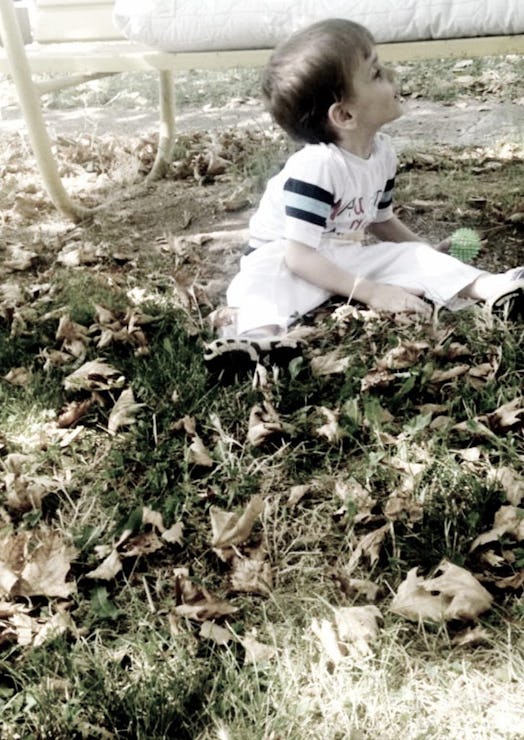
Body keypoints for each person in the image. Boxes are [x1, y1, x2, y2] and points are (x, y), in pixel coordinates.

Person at [204, 18, 523, 367]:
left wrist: (425, 251)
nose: (392, 74)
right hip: (284, 255)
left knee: (414, 256)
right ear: (344, 114)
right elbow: (298, 257)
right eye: (375, 74)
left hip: (340, 252)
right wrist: (371, 292)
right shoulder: (317, 167)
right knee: (261, 287)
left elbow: (381, 222)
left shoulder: (382, 153)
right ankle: (256, 343)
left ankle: (494, 289)